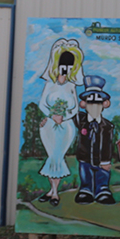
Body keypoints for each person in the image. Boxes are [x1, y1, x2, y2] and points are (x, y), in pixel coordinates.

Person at [36, 39, 84, 207]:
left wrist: (64, 116)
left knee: (58, 156)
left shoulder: (72, 85)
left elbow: (75, 107)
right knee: (52, 156)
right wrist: (52, 115)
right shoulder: (49, 84)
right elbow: (42, 103)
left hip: (66, 125)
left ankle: (53, 192)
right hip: (49, 125)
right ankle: (53, 192)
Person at [72, 75, 117, 205]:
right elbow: (68, 115)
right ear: (83, 104)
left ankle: (102, 190)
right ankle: (86, 190)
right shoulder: (81, 120)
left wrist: (106, 160)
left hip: (102, 160)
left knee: (102, 175)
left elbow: (108, 144)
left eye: (97, 102)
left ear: (105, 104)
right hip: (85, 159)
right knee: (86, 175)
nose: (94, 106)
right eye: (90, 102)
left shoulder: (107, 126)